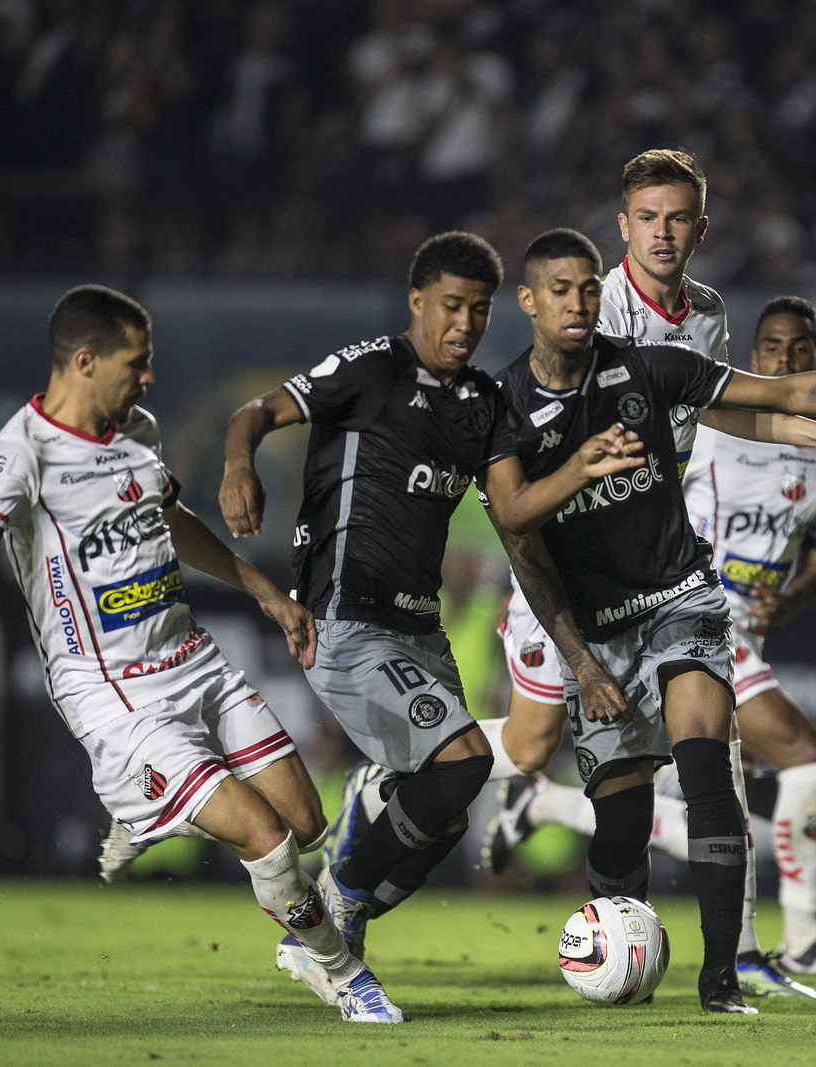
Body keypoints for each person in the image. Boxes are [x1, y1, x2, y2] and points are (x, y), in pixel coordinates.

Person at [495, 226, 816, 1013]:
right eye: (561, 289)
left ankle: (724, 973)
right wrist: (583, 665)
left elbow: (790, 397)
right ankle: (625, 940)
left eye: (590, 289)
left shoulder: (649, 367)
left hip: (679, 596)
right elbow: (518, 535)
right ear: (528, 301)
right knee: (621, 824)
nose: (579, 303)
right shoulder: (506, 405)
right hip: (597, 625)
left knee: (708, 758)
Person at [0, 285, 402, 1023]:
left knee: (306, 821)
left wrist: (261, 588)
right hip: (114, 696)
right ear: (85, 361)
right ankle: (341, 971)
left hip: (193, 660)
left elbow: (170, 520)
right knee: (261, 835)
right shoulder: (19, 452)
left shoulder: (139, 428)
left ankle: (157, 814)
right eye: (139, 361)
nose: (150, 376)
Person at [478, 148, 816, 999]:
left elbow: (719, 410)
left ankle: (733, 959)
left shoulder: (710, 314)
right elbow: (535, 439)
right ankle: (432, 769)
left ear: (699, 228)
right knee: (532, 744)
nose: (662, 232)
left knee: (710, 753)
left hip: (662, 566)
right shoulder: (592, 302)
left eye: (677, 218)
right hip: (573, 571)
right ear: (623, 228)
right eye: (646, 218)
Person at [217, 231, 640, 1010]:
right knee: (464, 764)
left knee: (443, 815)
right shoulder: (369, 369)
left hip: (419, 631)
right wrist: (240, 463)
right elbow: (257, 410)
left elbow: (515, 518)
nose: (464, 325)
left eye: (479, 310)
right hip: (343, 619)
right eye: (451, 306)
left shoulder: (480, 404)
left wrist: (579, 472)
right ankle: (334, 910)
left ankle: (328, 927)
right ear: (417, 302)